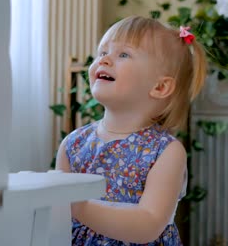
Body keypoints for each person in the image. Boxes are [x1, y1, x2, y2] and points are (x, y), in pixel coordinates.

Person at [55, 15, 208, 245]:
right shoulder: (73, 144)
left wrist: (80, 207)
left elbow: (148, 225)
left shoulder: (165, 152)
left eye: (123, 54)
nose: (104, 60)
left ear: (160, 86)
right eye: (103, 52)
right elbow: (56, 219)